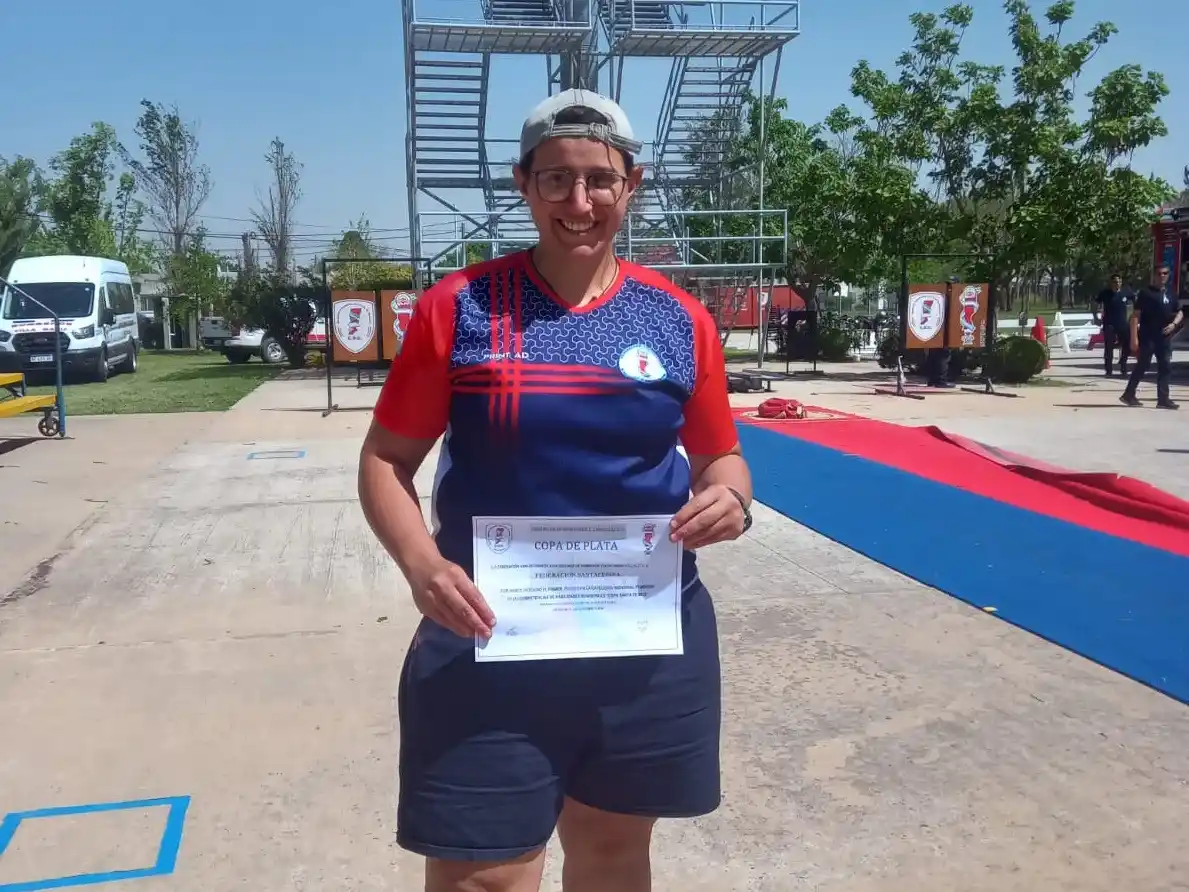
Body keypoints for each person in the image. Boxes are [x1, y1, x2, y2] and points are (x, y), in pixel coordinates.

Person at [357, 88, 754, 892]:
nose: (579, 203)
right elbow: (384, 462)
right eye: (555, 181)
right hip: (490, 631)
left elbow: (723, 458)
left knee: (611, 858)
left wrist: (732, 501)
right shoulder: (458, 309)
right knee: (487, 878)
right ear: (522, 186)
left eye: (599, 181)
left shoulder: (678, 319)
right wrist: (420, 564)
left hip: (639, 638)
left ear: (631, 185)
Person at [1121, 264, 1182, 409]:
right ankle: (1128, 394)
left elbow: (1180, 311)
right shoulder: (1146, 293)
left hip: (1164, 337)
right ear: (1154, 276)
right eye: (1159, 274)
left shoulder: (1171, 294)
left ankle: (1163, 399)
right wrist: (1134, 338)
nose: (1162, 276)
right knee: (1142, 365)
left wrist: (1174, 324)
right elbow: (1135, 316)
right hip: (1148, 336)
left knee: (1165, 366)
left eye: (1165, 273)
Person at [1094, 272, 1132, 376]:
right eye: (1115, 282)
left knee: (1127, 345)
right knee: (1109, 347)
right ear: (1111, 283)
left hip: (1123, 323)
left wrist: (1133, 317)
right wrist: (1095, 317)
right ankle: (1109, 369)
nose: (1117, 284)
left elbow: (1135, 302)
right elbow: (1096, 303)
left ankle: (1123, 364)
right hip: (1109, 323)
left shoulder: (1126, 292)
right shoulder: (1105, 293)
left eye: (1119, 282)